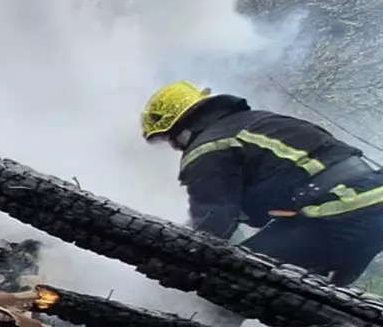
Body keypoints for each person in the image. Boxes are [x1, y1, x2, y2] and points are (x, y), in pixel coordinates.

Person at [141, 81, 383, 286]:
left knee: (232, 281)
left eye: (169, 138)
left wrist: (180, 262)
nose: (174, 146)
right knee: (310, 304)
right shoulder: (259, 123)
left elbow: (213, 222)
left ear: (181, 126)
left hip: (336, 215)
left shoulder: (208, 147)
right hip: (371, 211)